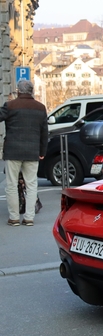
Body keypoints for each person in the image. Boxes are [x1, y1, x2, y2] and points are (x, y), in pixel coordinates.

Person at [0, 79, 48, 226]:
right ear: (31, 91)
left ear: (18, 91)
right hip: (32, 151)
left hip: (12, 151)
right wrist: (42, 151)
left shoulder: (10, 105)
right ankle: (29, 218)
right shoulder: (40, 108)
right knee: (32, 184)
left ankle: (14, 217)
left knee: (11, 185)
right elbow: (44, 132)